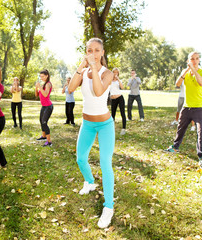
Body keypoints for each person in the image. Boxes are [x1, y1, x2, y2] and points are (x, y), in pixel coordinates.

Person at [68, 38, 115, 229]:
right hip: (87, 123)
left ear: (102, 52)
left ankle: (109, 207)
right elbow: (71, 88)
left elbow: (98, 92)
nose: (93, 54)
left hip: (105, 125)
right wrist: (82, 67)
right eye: (89, 50)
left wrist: (94, 68)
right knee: (80, 158)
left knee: (105, 163)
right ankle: (89, 181)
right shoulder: (84, 70)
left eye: (97, 50)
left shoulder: (108, 73)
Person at [166, 51, 202, 168]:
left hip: (199, 108)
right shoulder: (184, 73)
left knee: (201, 132)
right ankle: (175, 147)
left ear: (199, 60)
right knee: (180, 128)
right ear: (188, 61)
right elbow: (177, 83)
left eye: (196, 59)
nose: (194, 61)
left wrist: (194, 70)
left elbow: (201, 83)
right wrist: (186, 71)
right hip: (186, 107)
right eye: (192, 59)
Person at [35, 69, 53, 147]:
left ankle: (49, 142)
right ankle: (43, 136)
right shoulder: (43, 85)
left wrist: (40, 87)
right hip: (44, 106)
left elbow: (45, 94)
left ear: (47, 76)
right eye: (40, 76)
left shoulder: (48, 84)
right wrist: (36, 88)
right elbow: (36, 95)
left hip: (48, 106)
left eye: (43, 76)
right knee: (41, 121)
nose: (41, 78)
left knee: (44, 122)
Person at [110, 68, 126, 135]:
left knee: (122, 113)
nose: (115, 74)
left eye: (117, 72)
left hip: (120, 98)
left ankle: (123, 129)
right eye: (114, 72)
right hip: (113, 99)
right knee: (112, 114)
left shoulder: (119, 81)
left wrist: (118, 79)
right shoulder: (109, 81)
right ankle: (111, 129)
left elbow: (122, 87)